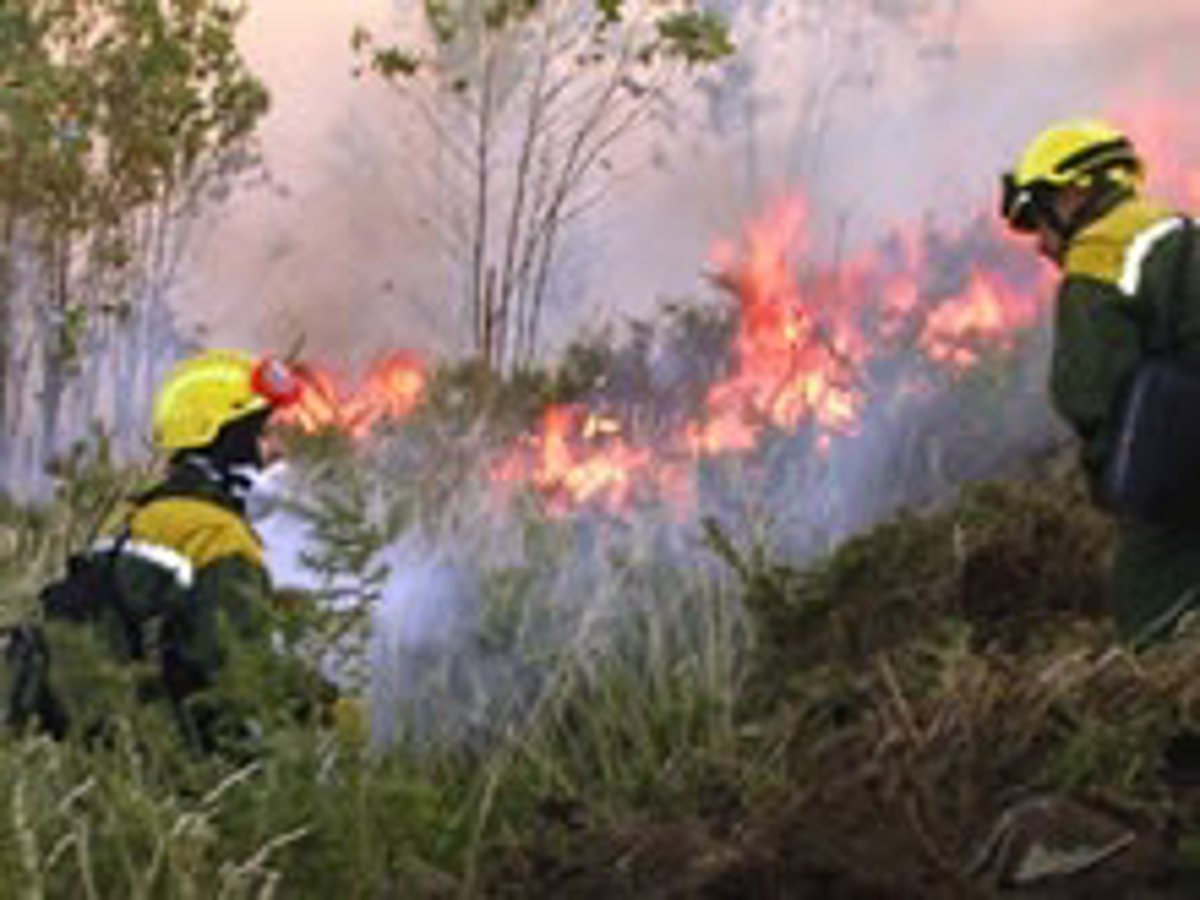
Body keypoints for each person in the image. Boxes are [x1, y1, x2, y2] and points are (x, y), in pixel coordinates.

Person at [5, 349, 308, 751]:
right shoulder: (219, 537)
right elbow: (238, 680)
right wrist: (324, 708)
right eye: (261, 435)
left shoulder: (143, 517)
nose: (273, 451)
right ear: (227, 439)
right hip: (180, 762)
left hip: (114, 750)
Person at [1000, 119, 1200, 648]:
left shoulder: (1100, 256)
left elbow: (1092, 394)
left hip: (1183, 472)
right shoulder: (1171, 226)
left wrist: (1116, 485)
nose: (1041, 243)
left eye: (1038, 217)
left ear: (1073, 193)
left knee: (1151, 610)